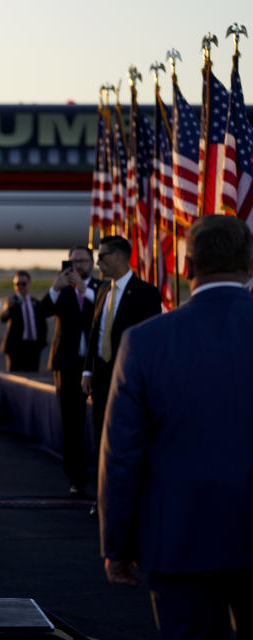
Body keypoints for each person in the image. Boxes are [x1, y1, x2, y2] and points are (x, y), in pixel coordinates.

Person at [99, 215, 253, 637]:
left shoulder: (145, 342)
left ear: (187, 268)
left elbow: (121, 456)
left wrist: (117, 546)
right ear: (249, 266)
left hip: (179, 541)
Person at [81, 235, 160, 516]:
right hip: (101, 378)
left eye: (101, 257)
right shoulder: (103, 290)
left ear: (118, 257)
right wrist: (88, 369)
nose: (97, 262)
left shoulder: (146, 293)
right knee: (101, 437)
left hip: (129, 380)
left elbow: (151, 341)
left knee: (127, 439)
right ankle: (103, 498)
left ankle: (129, 498)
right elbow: (95, 333)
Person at [36, 246, 101, 496]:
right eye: (74, 261)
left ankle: (102, 474)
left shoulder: (101, 288)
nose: (78, 266)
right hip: (67, 364)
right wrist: (55, 288)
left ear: (92, 263)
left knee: (99, 421)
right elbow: (41, 312)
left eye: (83, 261)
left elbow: (105, 313)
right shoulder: (61, 291)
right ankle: (76, 478)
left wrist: (85, 291)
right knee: (71, 423)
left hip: (96, 363)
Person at [0, 270, 47, 372]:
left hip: (33, 348)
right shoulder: (11, 301)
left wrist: (41, 344)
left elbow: (42, 324)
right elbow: (3, 318)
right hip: (16, 348)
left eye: (23, 284)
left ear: (29, 284)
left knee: (32, 378)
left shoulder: (36, 303)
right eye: (17, 284)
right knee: (14, 378)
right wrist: (6, 308)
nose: (20, 287)